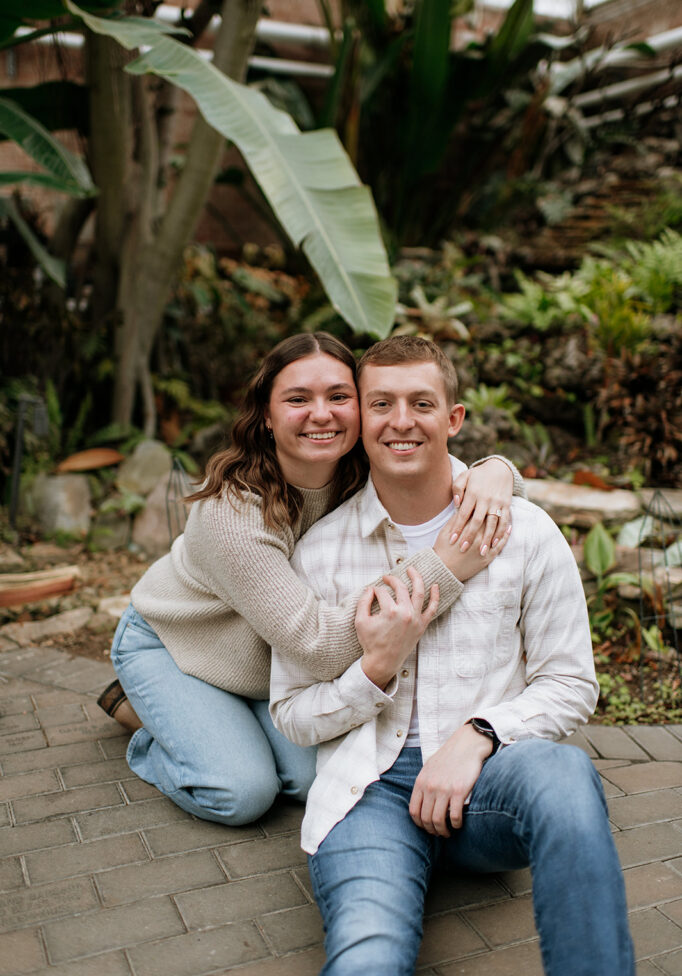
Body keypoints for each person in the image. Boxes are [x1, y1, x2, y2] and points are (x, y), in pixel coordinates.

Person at [270, 334, 634, 976]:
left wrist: (478, 735)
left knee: (568, 780)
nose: (402, 421)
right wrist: (373, 672)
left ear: (454, 419)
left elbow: (571, 681)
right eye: (381, 404)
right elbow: (294, 714)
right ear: (360, 419)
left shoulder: (524, 532)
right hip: (368, 793)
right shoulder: (321, 551)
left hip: (489, 785)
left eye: (421, 403)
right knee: (368, 956)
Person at [98, 332, 526, 827]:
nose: (321, 414)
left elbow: (461, 475)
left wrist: (496, 470)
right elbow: (319, 645)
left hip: (265, 667)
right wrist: (446, 565)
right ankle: (145, 721)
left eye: (339, 397)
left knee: (312, 780)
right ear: (266, 414)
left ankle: (221, 729)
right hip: (178, 646)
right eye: (298, 399)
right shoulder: (234, 515)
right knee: (242, 792)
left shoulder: (361, 464)